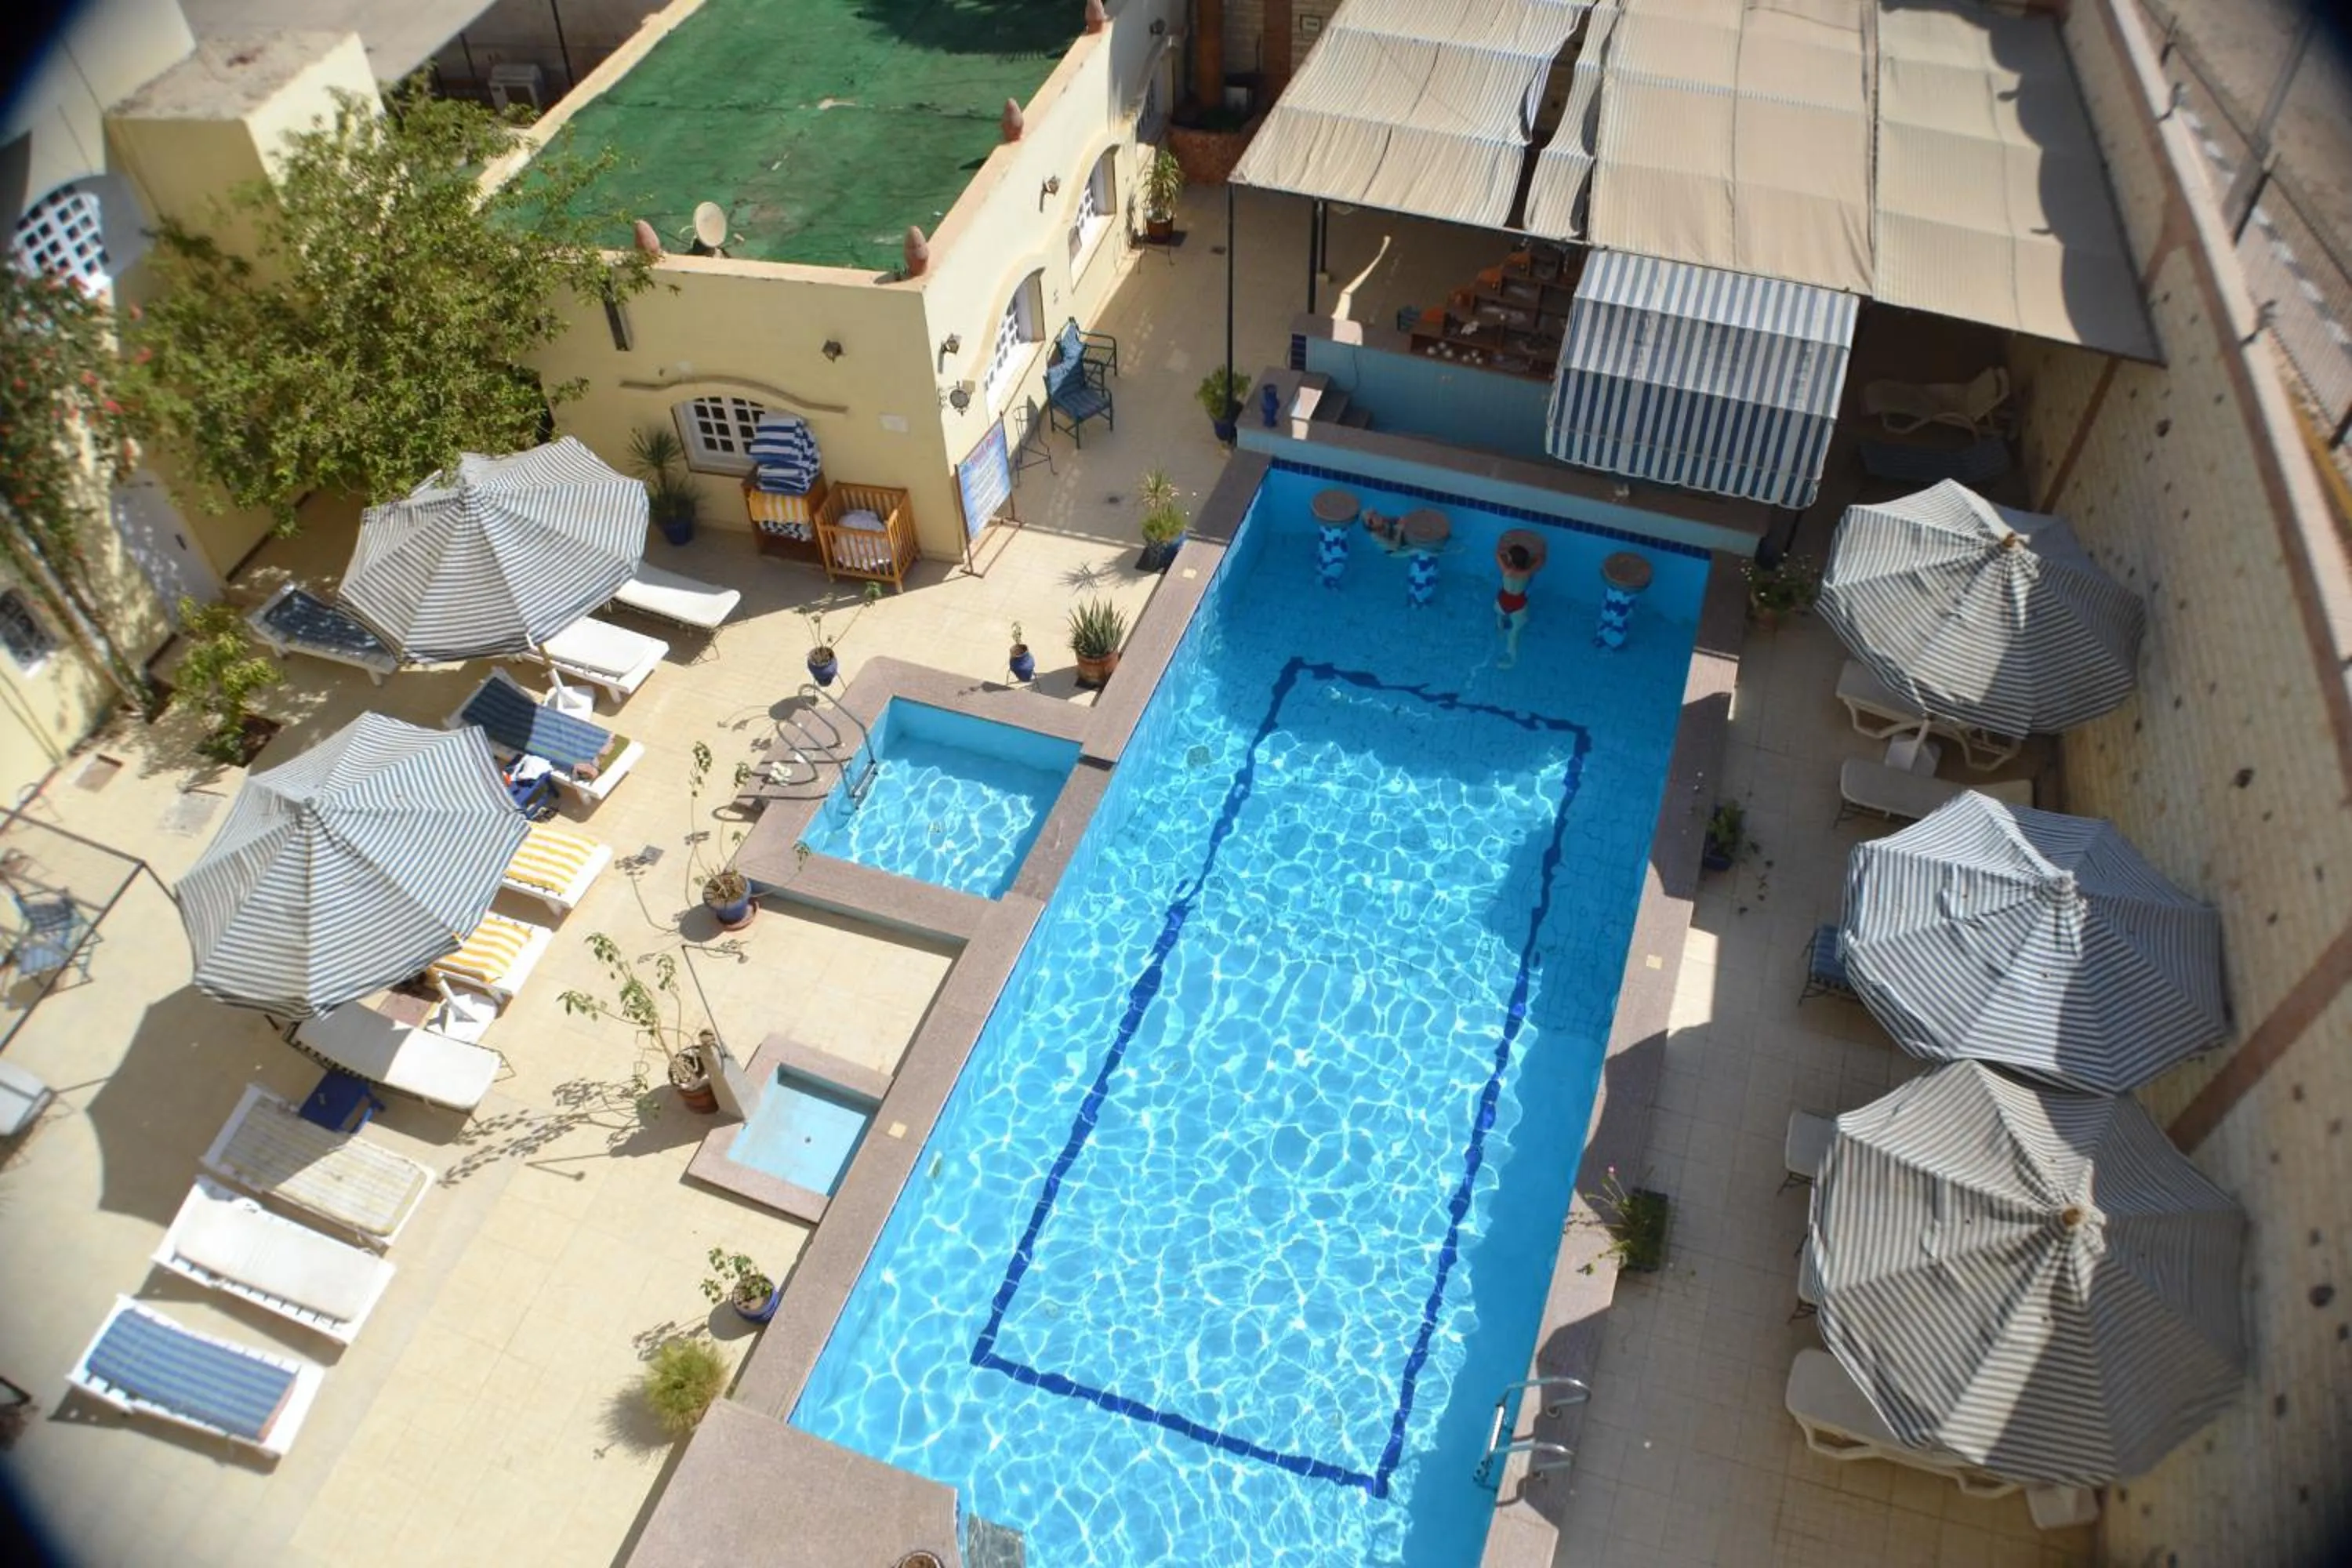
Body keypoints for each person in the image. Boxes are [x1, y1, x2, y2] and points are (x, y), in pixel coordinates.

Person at [1496, 542, 1536, 666]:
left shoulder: (1506, 571)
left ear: (1510, 559)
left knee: (1500, 615)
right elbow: (1540, 560)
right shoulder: (1527, 573)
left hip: (1502, 603)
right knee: (1514, 633)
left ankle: (1500, 629)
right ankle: (1511, 659)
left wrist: (1504, 551)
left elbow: (1497, 554)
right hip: (1519, 607)